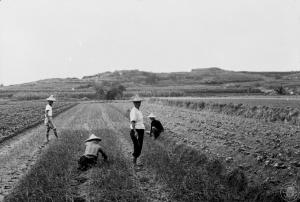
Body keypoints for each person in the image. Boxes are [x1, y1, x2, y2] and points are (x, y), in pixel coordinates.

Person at [129, 95, 145, 166]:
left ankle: (135, 162)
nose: (138, 103)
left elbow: (140, 122)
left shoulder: (138, 110)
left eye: (139, 102)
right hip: (136, 131)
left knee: (139, 146)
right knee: (137, 146)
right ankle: (134, 164)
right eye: (136, 102)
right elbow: (133, 122)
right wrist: (135, 131)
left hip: (140, 130)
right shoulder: (134, 111)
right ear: (134, 103)